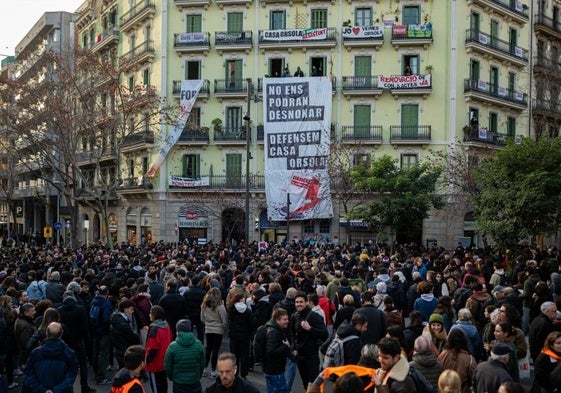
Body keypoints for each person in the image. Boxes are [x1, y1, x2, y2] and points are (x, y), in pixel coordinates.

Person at [23, 322, 78, 393]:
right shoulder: (70, 353)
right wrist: (56, 390)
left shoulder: (35, 353)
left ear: (47, 333)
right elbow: (71, 377)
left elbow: (28, 375)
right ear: (61, 334)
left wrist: (41, 390)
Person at [58, 290, 96, 393]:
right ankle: (84, 387)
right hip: (78, 341)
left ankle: (66, 387)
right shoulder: (80, 309)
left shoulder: (59, 310)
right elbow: (84, 327)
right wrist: (87, 340)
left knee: (66, 365)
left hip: (65, 341)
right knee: (82, 364)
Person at [291, 291, 328, 390]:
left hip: (312, 355)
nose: (299, 304)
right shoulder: (294, 316)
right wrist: (293, 348)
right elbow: (292, 334)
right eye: (297, 302)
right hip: (300, 355)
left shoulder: (314, 316)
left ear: (307, 302)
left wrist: (310, 329)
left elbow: (325, 333)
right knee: (305, 383)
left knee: (313, 384)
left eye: (301, 302)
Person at [164, 319, 205, 393]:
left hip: (179, 383)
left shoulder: (172, 346)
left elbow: (167, 366)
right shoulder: (199, 344)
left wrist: (172, 377)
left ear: (177, 331)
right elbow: (202, 363)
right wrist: (198, 376)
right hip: (194, 381)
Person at [262, 307, 291, 393]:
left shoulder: (274, 329)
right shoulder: (274, 332)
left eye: (287, 319)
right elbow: (271, 352)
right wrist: (285, 346)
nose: (287, 321)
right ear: (277, 320)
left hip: (271, 369)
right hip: (274, 370)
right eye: (284, 319)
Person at [437, 329, 476, 393]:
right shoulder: (469, 359)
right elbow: (474, 379)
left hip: (444, 389)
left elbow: (438, 373)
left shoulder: (443, 355)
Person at [201, 287, 228, 378]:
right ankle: (213, 370)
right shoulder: (220, 306)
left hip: (208, 328)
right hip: (218, 329)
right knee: (215, 350)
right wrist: (225, 327)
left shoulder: (204, 305)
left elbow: (202, 318)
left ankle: (204, 369)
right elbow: (224, 319)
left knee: (208, 349)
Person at [228, 294, 256, 378]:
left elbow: (230, 320)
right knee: (244, 355)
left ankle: (234, 372)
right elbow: (253, 323)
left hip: (234, 335)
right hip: (245, 336)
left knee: (234, 355)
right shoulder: (248, 311)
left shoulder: (232, 309)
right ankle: (244, 373)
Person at [145, 305, 172, 393]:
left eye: (150, 313)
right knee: (163, 384)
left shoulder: (154, 329)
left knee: (156, 386)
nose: (149, 314)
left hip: (155, 363)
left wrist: (146, 360)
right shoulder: (166, 325)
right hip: (164, 360)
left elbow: (152, 348)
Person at [90, 285, 113, 385]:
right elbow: (106, 319)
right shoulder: (106, 304)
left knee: (95, 351)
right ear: (107, 293)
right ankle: (101, 376)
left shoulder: (93, 302)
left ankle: (96, 371)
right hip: (103, 332)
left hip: (94, 330)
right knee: (103, 353)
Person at [110, 299, 140, 369]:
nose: (133, 311)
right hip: (123, 349)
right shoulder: (122, 322)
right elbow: (131, 336)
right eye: (131, 309)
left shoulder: (116, 318)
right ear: (125, 309)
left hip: (119, 348)